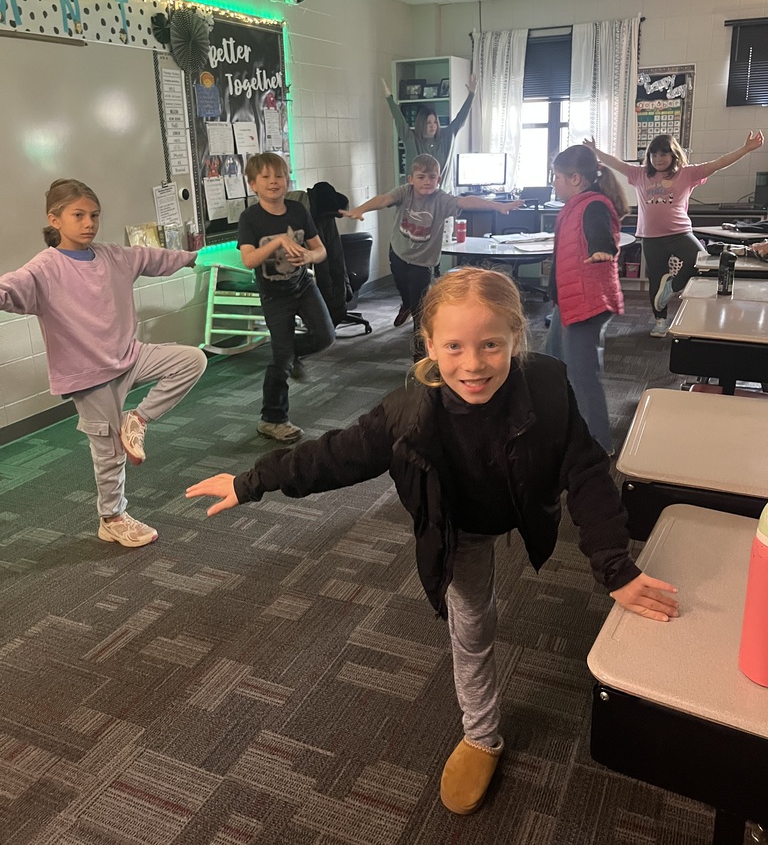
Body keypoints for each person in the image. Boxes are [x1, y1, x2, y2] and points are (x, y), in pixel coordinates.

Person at [186, 267, 679, 818]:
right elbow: (334, 456)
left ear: (516, 337)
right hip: (456, 524)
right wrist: (250, 481)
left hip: (521, 498)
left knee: (517, 584)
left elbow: (586, 471)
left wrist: (614, 566)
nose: (473, 365)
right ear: (428, 344)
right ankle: (481, 735)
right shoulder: (408, 413)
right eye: (454, 347)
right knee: (472, 623)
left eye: (491, 344)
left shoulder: (545, 386)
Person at [0, 179, 207, 548]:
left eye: (94, 215)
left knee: (191, 359)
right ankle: (112, 518)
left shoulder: (113, 256)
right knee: (110, 452)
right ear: (54, 220)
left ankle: (137, 419)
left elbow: (155, 258)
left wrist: (197, 257)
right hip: (88, 375)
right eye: (78, 215)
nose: (89, 223)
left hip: (129, 356)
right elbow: (10, 288)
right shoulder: (44, 268)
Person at [340, 154, 522, 353]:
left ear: (439, 179)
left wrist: (497, 205)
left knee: (420, 308)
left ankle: (419, 352)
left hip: (423, 262)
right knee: (403, 289)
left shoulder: (441, 199)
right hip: (398, 252)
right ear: (411, 179)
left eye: (432, 177)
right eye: (421, 177)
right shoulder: (404, 192)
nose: (427, 181)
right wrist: (361, 209)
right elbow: (384, 199)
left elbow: (465, 201)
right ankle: (406, 304)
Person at [588, 131, 764, 336]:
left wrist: (746, 149)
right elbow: (616, 163)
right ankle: (660, 322)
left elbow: (718, 164)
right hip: (651, 237)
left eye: (663, 154)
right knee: (656, 279)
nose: (658, 159)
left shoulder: (685, 174)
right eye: (654, 154)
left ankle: (673, 286)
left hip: (680, 233)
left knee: (700, 261)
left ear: (673, 155)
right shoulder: (640, 174)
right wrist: (595, 151)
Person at [238, 151, 335, 444]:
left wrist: (309, 255)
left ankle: (292, 355)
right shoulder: (250, 218)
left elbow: (321, 250)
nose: (274, 182)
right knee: (281, 359)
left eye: (279, 176)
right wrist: (280, 240)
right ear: (253, 184)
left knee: (325, 336)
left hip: (303, 286)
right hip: (274, 296)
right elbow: (249, 260)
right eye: (265, 177)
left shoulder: (298, 210)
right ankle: (272, 419)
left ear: (287, 180)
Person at [543, 145, 628, 455]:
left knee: (583, 375)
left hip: (586, 304)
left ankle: (598, 446)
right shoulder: (576, 204)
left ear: (575, 178)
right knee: (552, 361)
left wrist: (602, 248)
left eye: (557, 177)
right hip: (570, 300)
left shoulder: (593, 205)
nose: (554, 183)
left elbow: (599, 232)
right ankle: (565, 425)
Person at [383, 75, 477, 185]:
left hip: (441, 193)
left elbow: (460, 119)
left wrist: (471, 95)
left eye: (435, 122)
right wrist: (389, 98)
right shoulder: (412, 139)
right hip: (417, 193)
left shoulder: (446, 137)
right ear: (421, 123)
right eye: (428, 123)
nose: (433, 126)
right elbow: (400, 121)